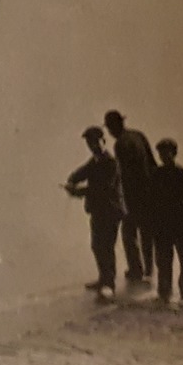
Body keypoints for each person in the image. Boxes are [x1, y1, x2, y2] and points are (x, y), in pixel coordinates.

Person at [65, 125, 124, 299]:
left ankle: (109, 283)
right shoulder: (95, 161)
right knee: (97, 245)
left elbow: (103, 189)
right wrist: (71, 180)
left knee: (106, 246)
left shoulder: (111, 163)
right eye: (89, 142)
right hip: (99, 211)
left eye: (95, 141)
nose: (92, 145)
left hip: (111, 210)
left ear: (103, 141)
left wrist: (78, 192)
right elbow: (80, 173)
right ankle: (103, 278)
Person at [105, 109, 157, 284]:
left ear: (113, 128)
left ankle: (136, 269)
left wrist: (121, 198)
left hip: (133, 196)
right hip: (149, 192)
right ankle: (150, 270)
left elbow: (124, 175)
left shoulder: (120, 144)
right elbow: (152, 163)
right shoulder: (138, 135)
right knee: (147, 233)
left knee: (128, 233)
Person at [148, 138, 183, 303]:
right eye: (161, 153)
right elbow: (150, 202)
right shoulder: (156, 175)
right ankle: (165, 293)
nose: (163, 156)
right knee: (164, 261)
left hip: (180, 226)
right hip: (164, 226)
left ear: (174, 153)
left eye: (166, 153)